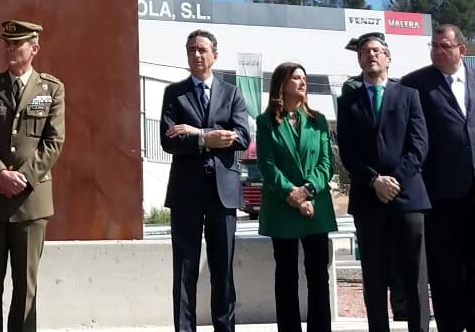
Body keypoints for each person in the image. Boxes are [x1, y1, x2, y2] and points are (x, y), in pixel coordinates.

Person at [403, 24, 475, 332]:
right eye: (434, 46)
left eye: (444, 46)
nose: (438, 51)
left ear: (461, 49)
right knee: (445, 270)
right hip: (441, 191)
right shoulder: (415, 84)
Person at [0, 20, 65, 332]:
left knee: (25, 287)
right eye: (7, 44)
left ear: (34, 48)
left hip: (30, 202)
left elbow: (54, 141)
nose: (10, 49)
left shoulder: (51, 88)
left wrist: (22, 177)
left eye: (17, 44)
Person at [338, 31, 431, 332]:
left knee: (414, 273)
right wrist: (374, 180)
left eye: (376, 50)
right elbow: (347, 150)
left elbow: (419, 145)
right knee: (374, 275)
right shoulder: (348, 101)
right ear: (359, 60)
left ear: (388, 58)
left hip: (408, 197)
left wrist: (395, 181)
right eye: (365, 51)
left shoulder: (408, 95)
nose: (371, 55)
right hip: (368, 198)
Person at [161, 29, 253, 332]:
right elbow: (169, 140)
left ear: (215, 55)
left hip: (223, 193)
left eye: (201, 49)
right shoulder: (174, 93)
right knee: (184, 269)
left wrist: (197, 132)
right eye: (191, 50)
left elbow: (242, 137)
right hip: (186, 192)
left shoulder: (232, 93)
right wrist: (206, 138)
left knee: (222, 270)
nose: (196, 54)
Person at [255, 61, 336, 332]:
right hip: (282, 207)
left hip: (315, 206)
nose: (303, 82)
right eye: (296, 78)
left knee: (318, 276)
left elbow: (326, 164)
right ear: (281, 84)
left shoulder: (318, 121)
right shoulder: (265, 122)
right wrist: (291, 193)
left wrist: (307, 191)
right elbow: (267, 165)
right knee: (286, 276)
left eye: (304, 78)